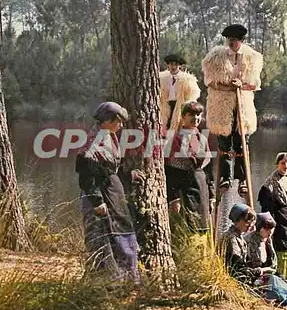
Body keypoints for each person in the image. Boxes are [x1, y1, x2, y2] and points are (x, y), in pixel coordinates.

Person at [75, 102, 145, 285]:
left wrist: (128, 175)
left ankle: (122, 281)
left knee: (120, 238)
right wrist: (97, 201)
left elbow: (109, 170)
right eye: (118, 121)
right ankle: (101, 285)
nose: (120, 125)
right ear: (107, 121)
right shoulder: (93, 141)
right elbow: (87, 175)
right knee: (100, 240)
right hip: (99, 201)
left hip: (112, 197)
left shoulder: (108, 137)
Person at [201, 24, 263, 195]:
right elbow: (209, 81)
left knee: (242, 142)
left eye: (235, 41)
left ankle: (242, 179)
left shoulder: (252, 58)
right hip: (222, 105)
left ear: (241, 41)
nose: (231, 43)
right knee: (224, 142)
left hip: (242, 106)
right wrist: (226, 86)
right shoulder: (215, 57)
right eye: (229, 40)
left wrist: (242, 85)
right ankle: (225, 177)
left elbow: (255, 84)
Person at [220, 206, 287, 308]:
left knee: (282, 283)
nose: (251, 225)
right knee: (273, 281)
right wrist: (260, 271)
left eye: (252, 222)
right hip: (242, 283)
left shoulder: (239, 237)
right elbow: (238, 271)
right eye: (248, 221)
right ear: (238, 220)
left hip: (248, 278)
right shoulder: (232, 239)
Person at [165, 101, 214, 234]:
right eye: (191, 114)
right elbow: (170, 172)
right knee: (187, 228)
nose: (196, 118)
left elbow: (208, 170)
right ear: (183, 117)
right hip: (184, 190)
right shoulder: (175, 140)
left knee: (203, 229)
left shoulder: (203, 139)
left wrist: (211, 196)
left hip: (202, 188)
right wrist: (173, 197)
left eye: (198, 114)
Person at [245, 212, 287, 308]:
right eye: (267, 229)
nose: (270, 232)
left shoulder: (268, 240)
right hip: (256, 280)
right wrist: (261, 271)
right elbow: (247, 268)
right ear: (259, 227)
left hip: (270, 275)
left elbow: (273, 266)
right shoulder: (249, 241)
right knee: (277, 285)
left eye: (271, 229)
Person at [257, 152, 287, 285]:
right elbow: (266, 208)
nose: (286, 166)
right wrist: (270, 226)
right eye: (283, 163)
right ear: (277, 164)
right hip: (278, 221)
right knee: (280, 249)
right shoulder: (270, 184)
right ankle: (279, 280)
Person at [159, 54, 201, 134]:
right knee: (165, 126)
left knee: (178, 127)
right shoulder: (163, 78)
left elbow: (192, 96)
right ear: (168, 65)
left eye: (176, 64)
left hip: (180, 105)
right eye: (171, 64)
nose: (173, 67)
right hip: (166, 105)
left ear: (179, 66)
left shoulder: (187, 80)